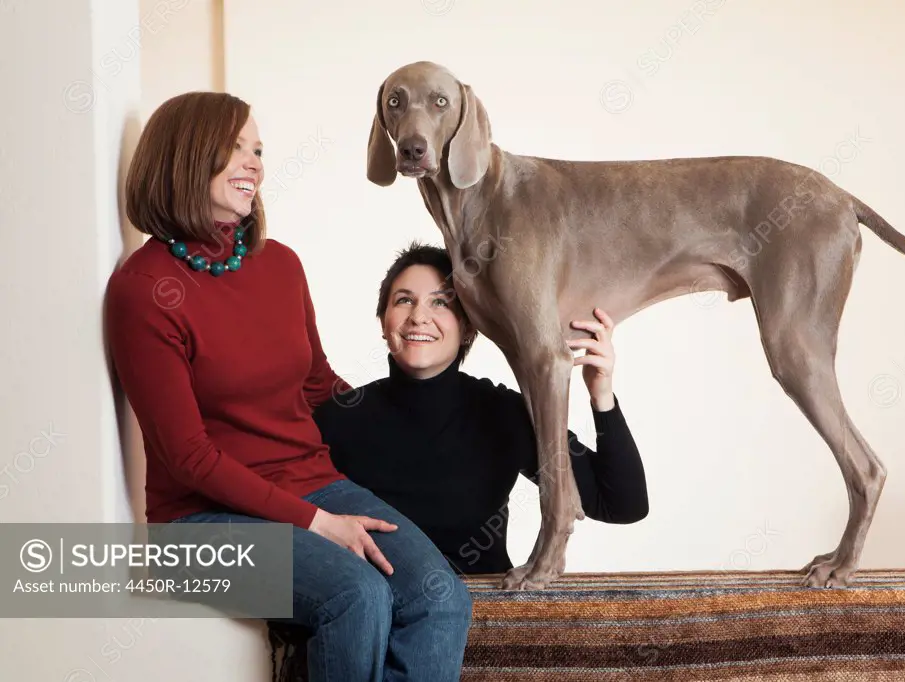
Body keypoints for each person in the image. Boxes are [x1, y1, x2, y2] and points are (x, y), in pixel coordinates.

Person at [105, 92, 472, 682]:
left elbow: (318, 386)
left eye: (258, 150)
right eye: (235, 148)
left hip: (315, 484)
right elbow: (188, 457)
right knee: (356, 596)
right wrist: (314, 522)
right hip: (195, 526)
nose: (254, 163)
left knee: (441, 599)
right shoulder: (144, 290)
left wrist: (415, 421)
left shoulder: (281, 265)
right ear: (184, 156)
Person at [314, 242, 649, 576]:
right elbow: (291, 537)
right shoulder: (339, 418)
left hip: (485, 615)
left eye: (441, 303)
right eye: (404, 300)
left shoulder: (501, 412)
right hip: (377, 611)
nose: (419, 317)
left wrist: (601, 394)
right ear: (383, 321)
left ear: (469, 326)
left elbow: (621, 504)